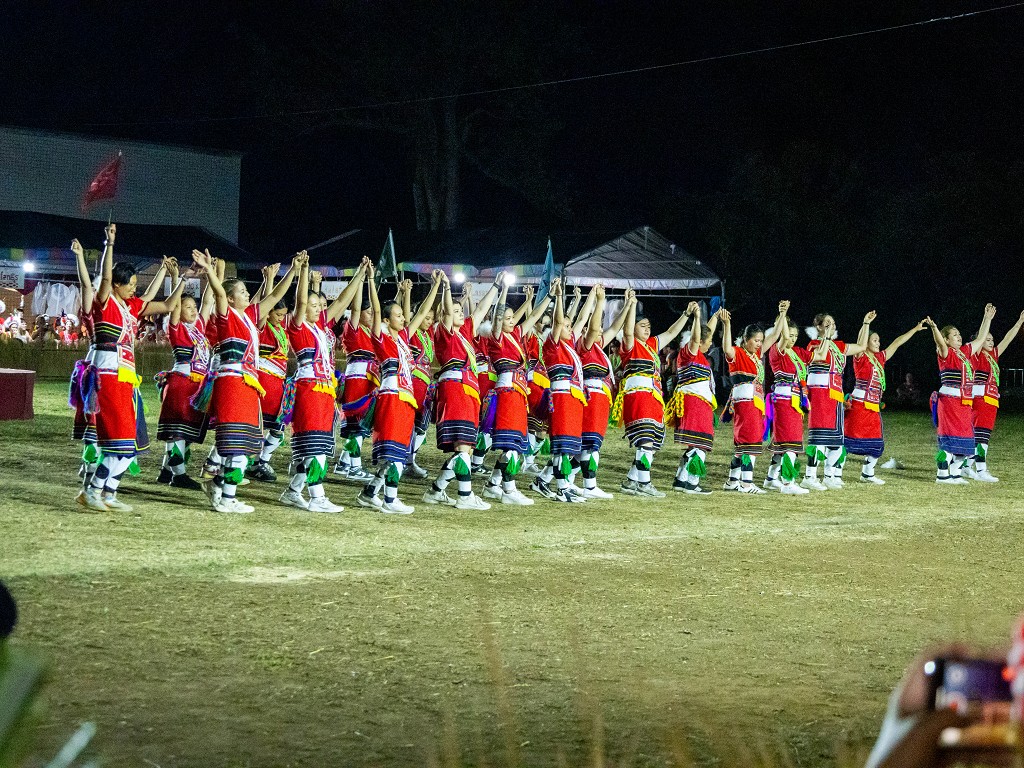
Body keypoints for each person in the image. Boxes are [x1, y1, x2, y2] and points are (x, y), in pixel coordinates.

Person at [78, 225, 181, 512]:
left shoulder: (131, 307)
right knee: (120, 444)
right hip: (107, 377)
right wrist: (109, 245)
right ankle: (92, 491)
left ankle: (108, 494)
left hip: (126, 380)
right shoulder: (105, 302)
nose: (134, 288)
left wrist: (178, 277)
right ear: (115, 286)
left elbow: (170, 304)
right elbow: (105, 277)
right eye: (130, 284)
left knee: (129, 447)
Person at [191, 248, 301, 513]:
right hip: (232, 382)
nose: (247, 294)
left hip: (249, 384)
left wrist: (294, 271)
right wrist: (210, 271)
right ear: (230, 298)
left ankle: (219, 486)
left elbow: (273, 296)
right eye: (241, 292)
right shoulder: (226, 315)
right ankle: (227, 499)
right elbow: (218, 294)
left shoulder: (250, 316)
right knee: (236, 446)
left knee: (244, 444)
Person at [355, 267, 443, 514]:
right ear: (385, 320)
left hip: (406, 399)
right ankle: (390, 501)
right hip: (391, 396)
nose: (403, 318)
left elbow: (423, 311)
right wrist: (372, 281)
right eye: (397, 315)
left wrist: (435, 286)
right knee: (394, 453)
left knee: (397, 453)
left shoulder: (403, 339)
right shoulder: (381, 338)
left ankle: (370, 492)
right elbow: (374, 307)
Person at [279, 254, 362, 513]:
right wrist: (303, 271)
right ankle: (317, 497)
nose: (316, 308)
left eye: (318, 305)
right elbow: (301, 300)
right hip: (309, 388)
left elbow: (342, 301)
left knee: (318, 447)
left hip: (325, 390)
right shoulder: (298, 326)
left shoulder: (322, 327)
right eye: (313, 305)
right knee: (316, 449)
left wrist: (359, 274)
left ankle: (293, 491)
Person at [423, 272, 501, 508]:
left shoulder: (466, 331)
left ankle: (436, 490)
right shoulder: (444, 333)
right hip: (455, 388)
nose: (460, 314)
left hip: (467, 390)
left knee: (463, 448)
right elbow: (447, 312)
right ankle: (465, 496)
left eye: (460, 311)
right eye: (456, 311)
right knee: (464, 448)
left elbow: (480, 310)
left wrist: (496, 285)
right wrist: (447, 288)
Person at [481, 275, 549, 505]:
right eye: (507, 318)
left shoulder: (517, 336)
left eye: (512, 318)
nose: (511, 321)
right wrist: (504, 290)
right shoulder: (497, 338)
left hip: (519, 394)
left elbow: (535, 316)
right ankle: (509, 491)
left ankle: (492, 485)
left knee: (516, 446)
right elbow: (499, 319)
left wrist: (549, 296)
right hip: (508, 392)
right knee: (510, 447)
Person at [614, 297, 692, 497]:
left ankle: (632, 480)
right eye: (642, 326)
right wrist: (631, 306)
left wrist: (686, 314)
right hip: (639, 394)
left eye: (649, 326)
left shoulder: (651, 344)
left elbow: (672, 332)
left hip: (654, 396)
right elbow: (628, 330)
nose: (647, 329)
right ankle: (644, 484)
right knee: (645, 439)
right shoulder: (629, 345)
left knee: (653, 442)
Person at [844, 318, 927, 484]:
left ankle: (867, 474)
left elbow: (897, 342)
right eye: (874, 340)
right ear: (865, 342)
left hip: (874, 406)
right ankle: (834, 473)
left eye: (879, 340)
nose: (878, 342)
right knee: (847, 440)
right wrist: (866, 324)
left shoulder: (880, 357)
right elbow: (861, 340)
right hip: (859, 404)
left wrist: (915, 329)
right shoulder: (860, 356)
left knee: (877, 442)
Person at [154, 262, 212, 490]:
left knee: (185, 433)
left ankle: (166, 471)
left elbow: (208, 301)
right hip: (181, 383)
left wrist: (211, 274)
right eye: (188, 307)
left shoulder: (198, 329)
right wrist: (180, 278)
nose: (193, 309)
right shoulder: (176, 327)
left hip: (195, 387)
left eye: (193, 306)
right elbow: (174, 305)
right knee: (177, 432)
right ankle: (179, 475)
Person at [801, 310, 873, 490]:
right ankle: (809, 476)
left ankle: (829, 475)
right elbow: (819, 358)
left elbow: (862, 346)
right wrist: (825, 336)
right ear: (818, 327)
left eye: (832, 323)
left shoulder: (839, 346)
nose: (831, 326)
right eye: (826, 323)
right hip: (820, 393)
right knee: (819, 438)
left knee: (836, 440)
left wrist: (865, 324)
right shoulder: (813, 345)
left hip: (835, 393)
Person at [925, 305, 996, 485]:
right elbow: (939, 343)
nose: (958, 336)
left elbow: (980, 339)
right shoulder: (945, 353)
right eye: (954, 335)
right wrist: (934, 329)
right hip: (950, 401)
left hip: (965, 401)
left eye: (958, 334)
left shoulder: (964, 352)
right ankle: (942, 475)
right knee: (950, 439)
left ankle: (955, 475)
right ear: (947, 340)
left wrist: (986, 318)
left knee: (967, 441)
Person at [720, 302, 785, 493]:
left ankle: (732, 481)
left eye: (760, 340)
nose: (759, 343)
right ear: (745, 339)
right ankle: (746, 483)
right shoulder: (738, 353)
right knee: (750, 441)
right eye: (756, 340)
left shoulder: (756, 355)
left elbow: (774, 336)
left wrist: (782, 314)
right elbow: (726, 347)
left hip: (754, 402)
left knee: (744, 443)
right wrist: (726, 325)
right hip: (745, 402)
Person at [576, 284, 633, 500]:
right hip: (591, 397)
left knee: (590, 444)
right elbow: (592, 329)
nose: (600, 331)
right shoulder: (584, 345)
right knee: (590, 445)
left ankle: (548, 478)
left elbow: (615, 327)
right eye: (597, 328)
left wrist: (628, 305)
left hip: (600, 399)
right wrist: (600, 302)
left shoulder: (598, 347)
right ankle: (589, 486)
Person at [764, 304, 816, 495]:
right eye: (790, 335)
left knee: (782, 443)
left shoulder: (795, 353)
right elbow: (784, 337)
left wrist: (826, 336)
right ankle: (788, 483)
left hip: (794, 400)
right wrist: (783, 314)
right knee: (791, 443)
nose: (792, 339)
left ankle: (771, 479)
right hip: (784, 400)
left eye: (795, 336)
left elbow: (817, 356)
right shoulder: (778, 349)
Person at [669, 303, 721, 495]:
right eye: (709, 341)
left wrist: (716, 315)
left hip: (698, 402)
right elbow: (698, 337)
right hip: (694, 402)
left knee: (696, 445)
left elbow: (707, 332)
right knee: (700, 445)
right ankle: (692, 482)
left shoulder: (699, 355)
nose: (711, 343)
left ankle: (680, 480)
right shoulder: (689, 353)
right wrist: (697, 318)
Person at [967, 309, 1024, 482]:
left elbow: (1008, 338)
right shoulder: (976, 355)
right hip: (980, 398)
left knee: (981, 435)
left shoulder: (994, 355)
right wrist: (987, 319)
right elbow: (981, 336)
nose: (991, 342)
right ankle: (981, 469)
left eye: (992, 339)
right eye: (987, 339)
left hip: (991, 400)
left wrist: (1020, 322)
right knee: (981, 435)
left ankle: (966, 466)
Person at [333, 265, 377, 482]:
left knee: (357, 427)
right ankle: (355, 467)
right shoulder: (354, 328)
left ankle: (343, 463)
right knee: (357, 427)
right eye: (368, 312)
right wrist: (361, 281)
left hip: (367, 380)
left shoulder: (370, 331)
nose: (370, 315)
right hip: (357, 380)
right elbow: (357, 309)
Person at [248, 263, 290, 483]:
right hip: (265, 382)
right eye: (278, 314)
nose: (280, 318)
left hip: (278, 385)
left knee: (278, 429)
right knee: (258, 427)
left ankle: (261, 460)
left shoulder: (282, 329)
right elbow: (267, 302)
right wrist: (269, 281)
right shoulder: (263, 327)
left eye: (284, 315)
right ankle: (249, 462)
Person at [400, 279, 441, 479]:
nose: (430, 321)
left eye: (432, 319)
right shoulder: (412, 333)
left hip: (425, 386)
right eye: (427, 318)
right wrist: (407, 294)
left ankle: (411, 459)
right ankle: (405, 461)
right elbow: (412, 317)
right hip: (413, 384)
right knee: (407, 424)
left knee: (421, 426)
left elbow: (442, 315)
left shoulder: (430, 334)